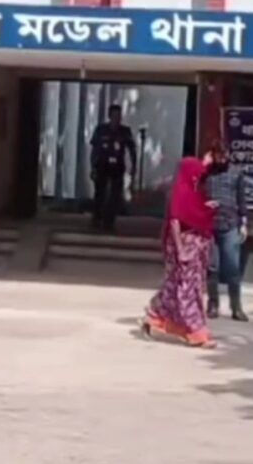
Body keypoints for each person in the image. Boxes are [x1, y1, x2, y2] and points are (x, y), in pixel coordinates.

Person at [142, 156, 217, 349]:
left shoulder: (195, 193)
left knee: (182, 288)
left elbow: (197, 215)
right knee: (186, 289)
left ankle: (157, 317)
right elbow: (175, 220)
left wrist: (207, 209)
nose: (199, 179)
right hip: (184, 249)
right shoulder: (180, 193)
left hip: (197, 251)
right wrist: (181, 250)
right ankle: (194, 330)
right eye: (197, 175)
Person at [204, 142, 249, 322]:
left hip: (230, 224)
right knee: (212, 266)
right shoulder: (207, 173)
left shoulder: (236, 173)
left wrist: (243, 222)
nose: (222, 158)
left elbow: (241, 199)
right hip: (209, 225)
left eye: (224, 154)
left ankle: (236, 307)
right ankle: (213, 304)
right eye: (218, 154)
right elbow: (194, 187)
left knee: (232, 267)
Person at [89, 104, 137, 232]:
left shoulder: (125, 131)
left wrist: (133, 167)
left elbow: (132, 150)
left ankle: (109, 222)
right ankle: (97, 218)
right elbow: (94, 150)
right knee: (100, 193)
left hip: (117, 167)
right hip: (102, 165)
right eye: (114, 116)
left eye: (119, 116)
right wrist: (93, 166)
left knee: (115, 195)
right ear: (109, 116)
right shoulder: (101, 130)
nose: (117, 119)